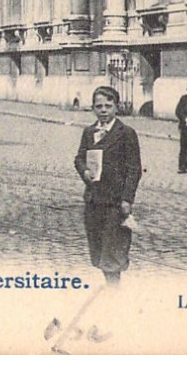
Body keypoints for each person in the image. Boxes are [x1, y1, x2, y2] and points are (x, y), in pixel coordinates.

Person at [74, 85, 142, 285]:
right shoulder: (89, 132)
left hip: (115, 201)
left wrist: (127, 198)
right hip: (94, 199)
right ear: (93, 108)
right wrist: (84, 171)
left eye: (108, 105)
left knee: (113, 248)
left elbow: (134, 169)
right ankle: (109, 283)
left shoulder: (126, 133)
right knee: (97, 247)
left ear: (116, 107)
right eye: (99, 106)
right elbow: (79, 158)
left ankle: (114, 288)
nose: (103, 110)